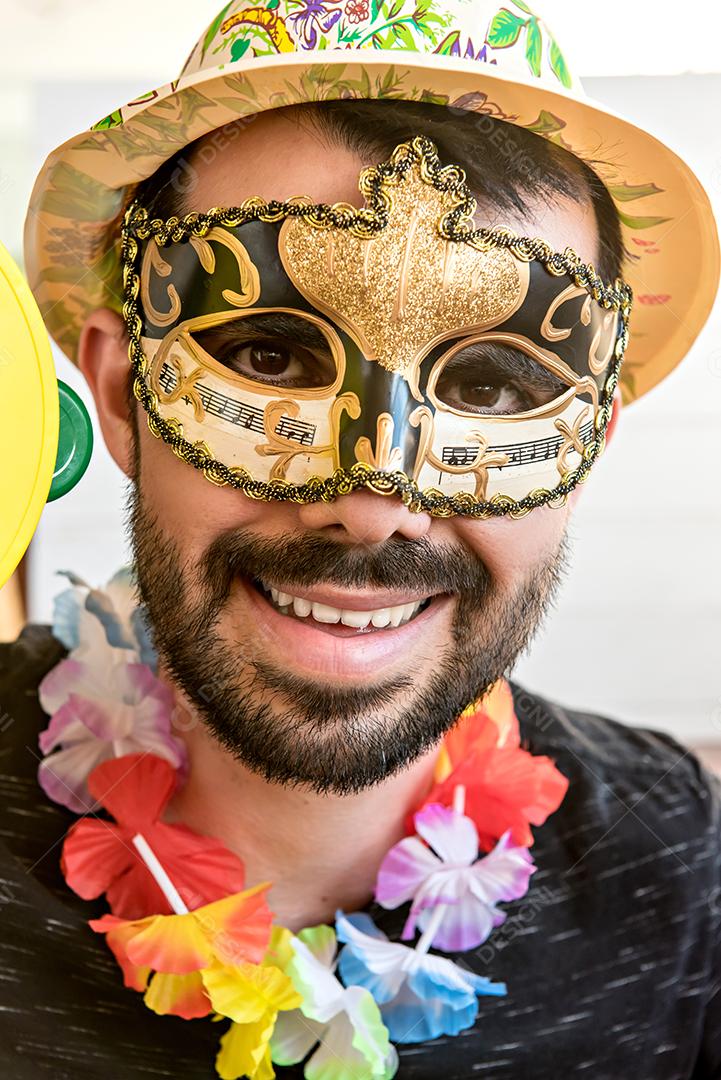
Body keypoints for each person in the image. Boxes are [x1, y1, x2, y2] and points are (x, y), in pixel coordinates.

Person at [2, 1, 720, 1077]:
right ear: (117, 388)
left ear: (591, 441)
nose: (374, 501)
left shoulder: (683, 865)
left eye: (490, 384)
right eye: (270, 358)